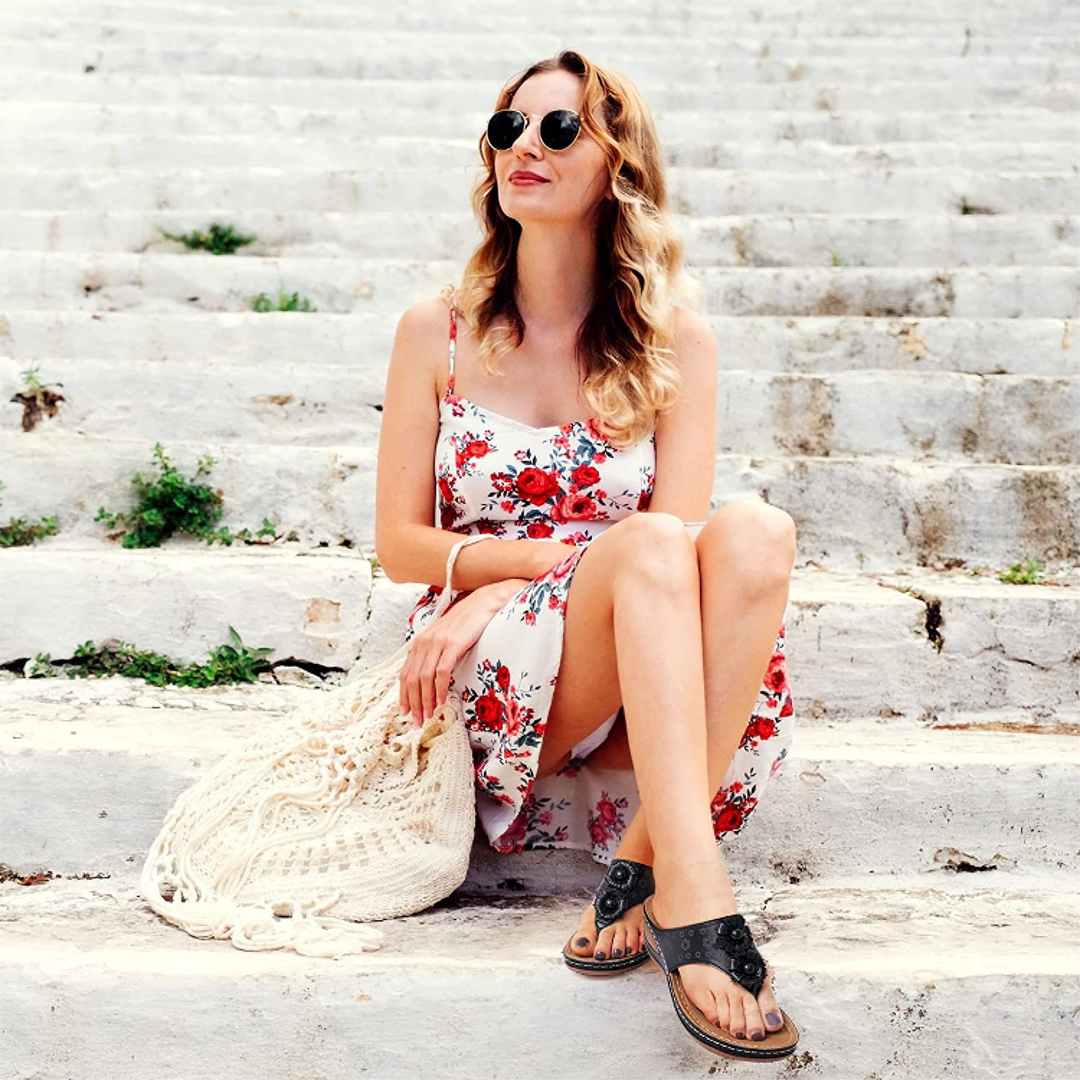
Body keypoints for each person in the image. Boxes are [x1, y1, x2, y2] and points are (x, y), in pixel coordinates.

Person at [375, 50, 797, 1054]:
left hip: (636, 652)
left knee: (756, 533)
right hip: (491, 672)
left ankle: (644, 866)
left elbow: (680, 547)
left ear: (619, 167)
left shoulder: (675, 343)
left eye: (559, 128)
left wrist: (534, 576)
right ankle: (696, 897)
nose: (525, 145)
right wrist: (501, 586)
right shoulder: (435, 332)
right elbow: (399, 545)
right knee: (649, 548)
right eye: (508, 127)